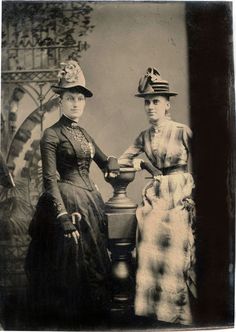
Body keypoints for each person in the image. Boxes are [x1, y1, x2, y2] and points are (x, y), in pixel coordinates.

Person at [25, 60, 119, 327]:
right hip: (67, 202)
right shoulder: (51, 135)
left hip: (90, 200)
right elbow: (49, 180)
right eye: (70, 98)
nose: (76, 103)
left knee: (98, 260)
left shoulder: (83, 133)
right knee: (72, 270)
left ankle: (95, 321)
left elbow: (103, 161)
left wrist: (113, 164)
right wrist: (63, 216)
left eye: (80, 98)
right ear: (60, 101)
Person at [119, 67, 196, 326]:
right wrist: (141, 165)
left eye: (156, 102)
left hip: (180, 193)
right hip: (157, 194)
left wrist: (193, 193)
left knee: (175, 249)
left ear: (167, 105)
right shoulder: (143, 136)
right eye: (147, 103)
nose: (151, 107)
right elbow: (121, 161)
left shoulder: (182, 130)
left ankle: (176, 312)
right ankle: (154, 313)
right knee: (150, 244)